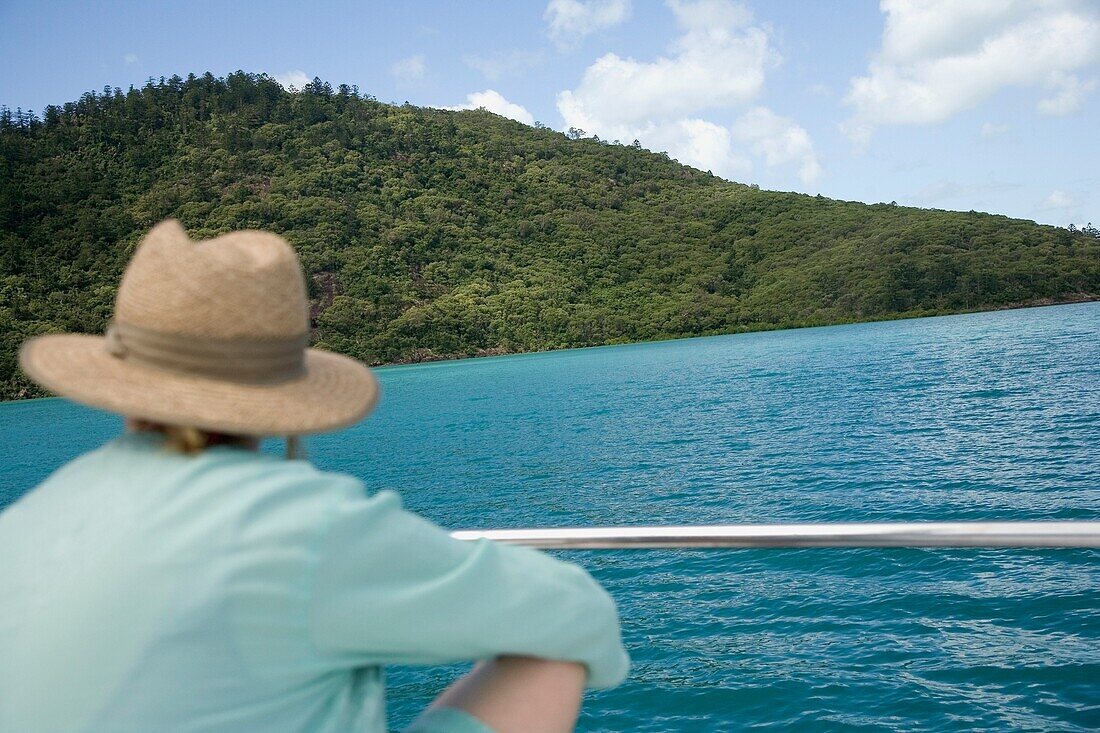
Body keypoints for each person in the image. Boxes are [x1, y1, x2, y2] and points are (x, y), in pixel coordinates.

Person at [0, 220, 629, 733]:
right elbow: (578, 615)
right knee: (554, 654)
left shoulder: (26, 519)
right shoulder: (294, 523)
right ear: (284, 390)